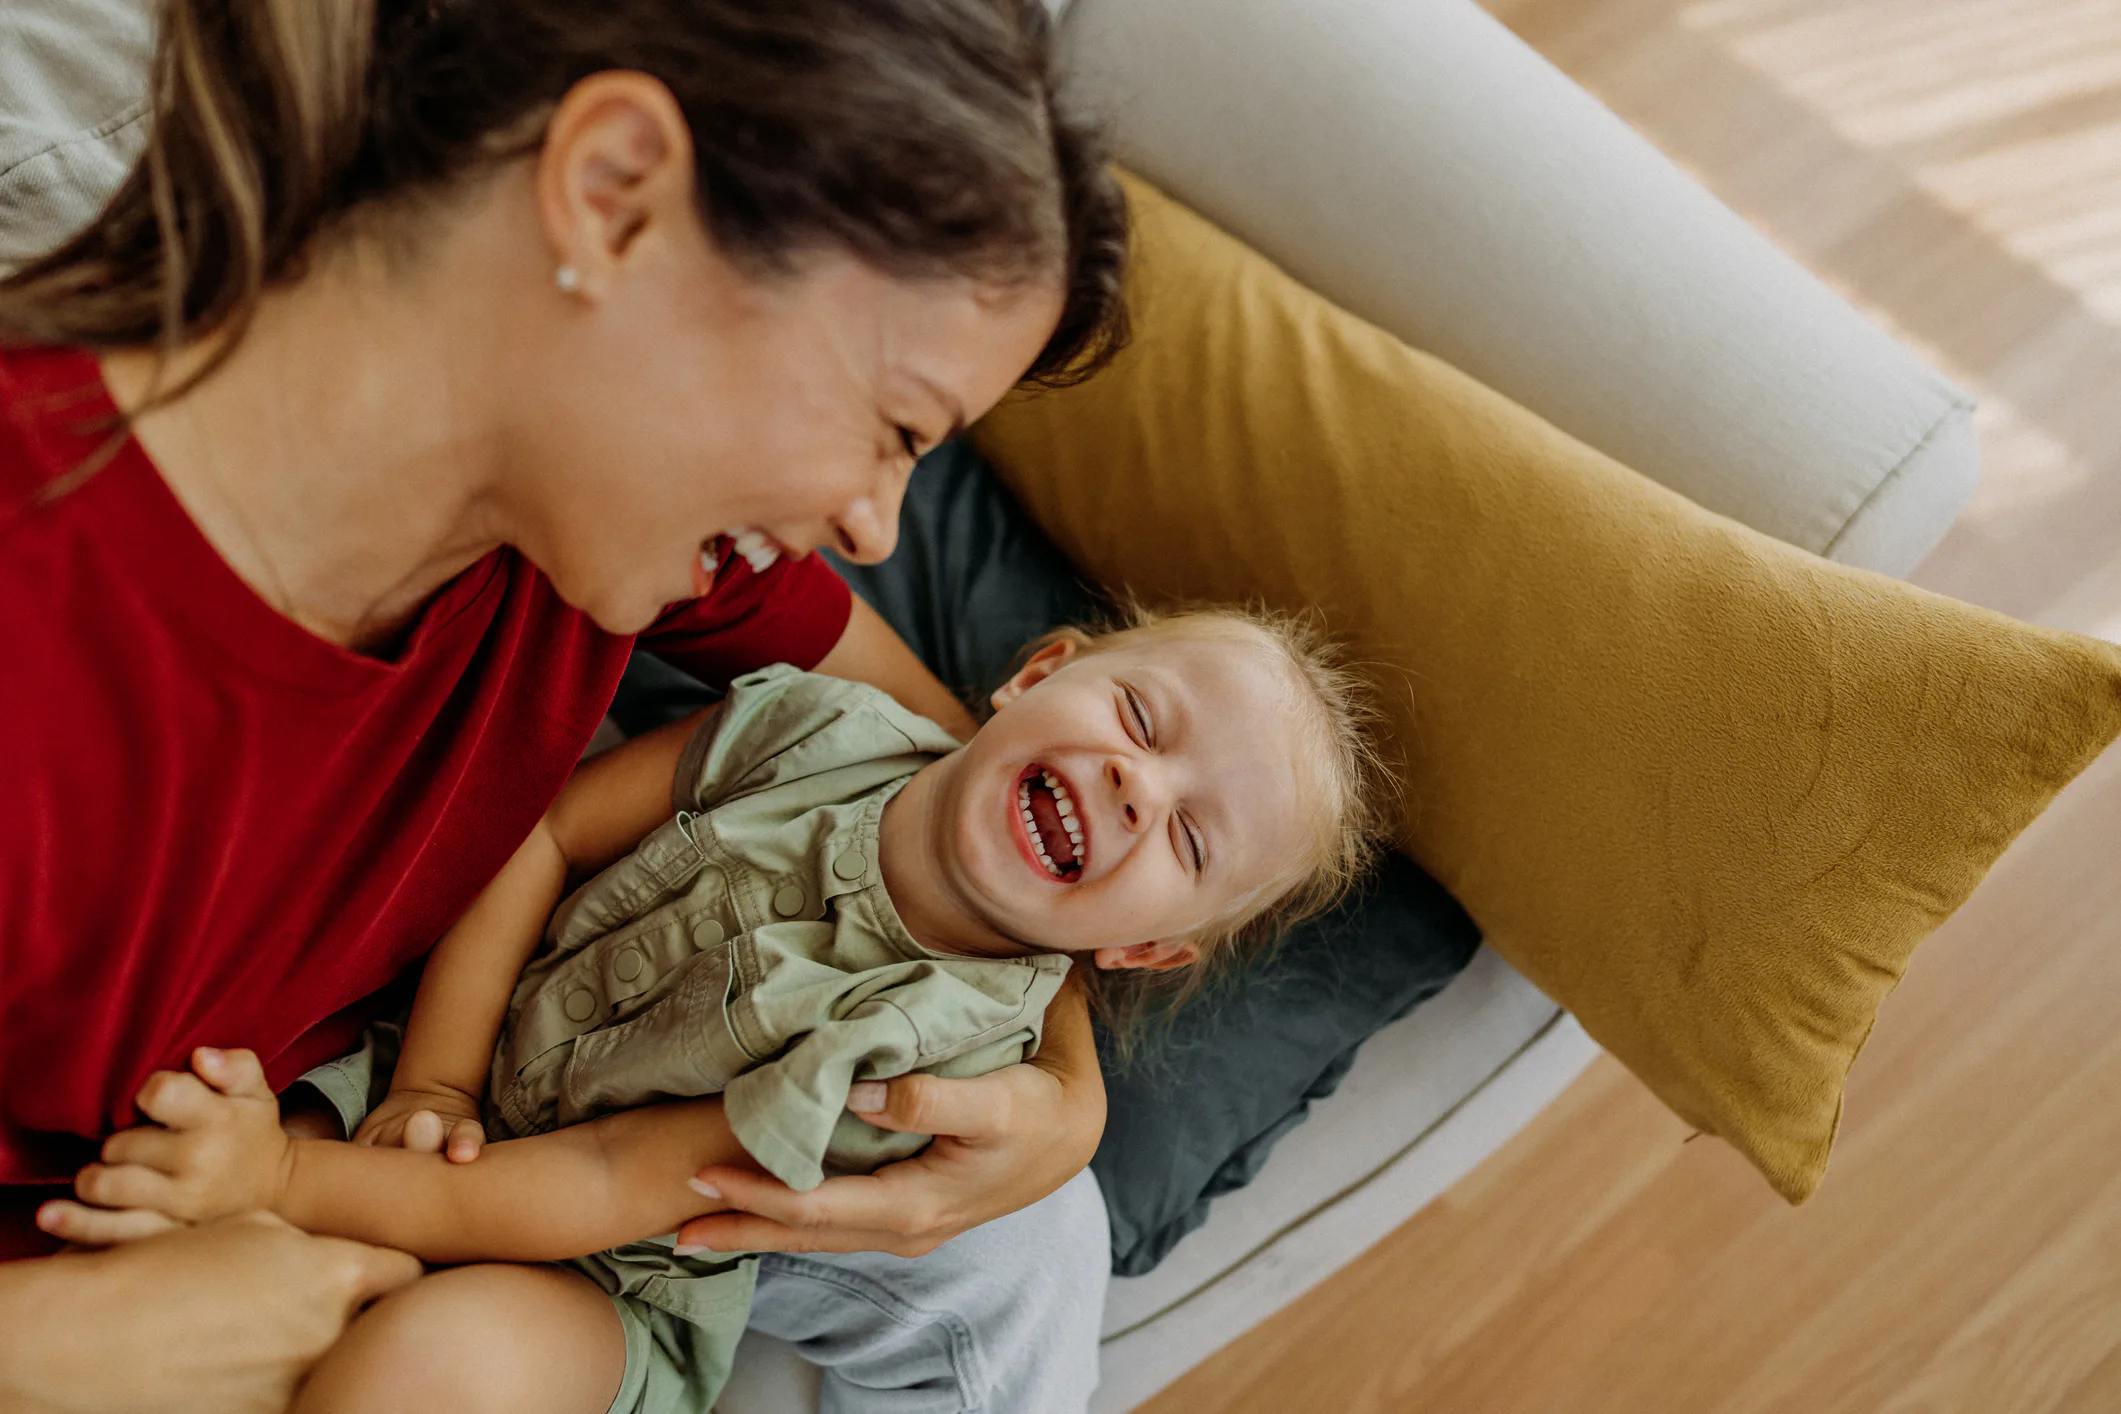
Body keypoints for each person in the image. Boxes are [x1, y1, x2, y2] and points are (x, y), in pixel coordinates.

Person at [0, 0, 1130, 1410]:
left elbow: (972, 772)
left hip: (395, 1161)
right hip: (145, 1242)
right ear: (611, 197)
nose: (873, 527)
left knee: (1033, 1237)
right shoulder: (44, 618)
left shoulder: (600, 524)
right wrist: (60, 1341)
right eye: (893, 426)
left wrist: (1067, 1097)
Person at [42, 607, 1385, 1414]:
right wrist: (436, 1084)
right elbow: (549, 829)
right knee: (152, 1168)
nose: (1141, 788)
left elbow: (606, 1175)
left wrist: (288, 1173)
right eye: (1143, 717)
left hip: (594, 1273)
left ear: (1144, 945)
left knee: (439, 1367)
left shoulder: (924, 1056)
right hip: (417, 1068)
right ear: (1036, 676)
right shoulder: (807, 726)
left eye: (1191, 840)